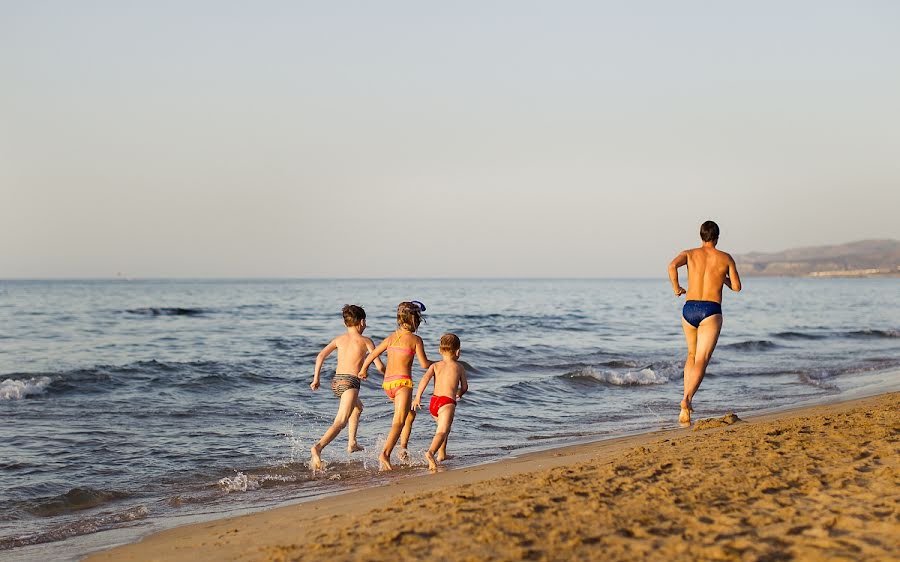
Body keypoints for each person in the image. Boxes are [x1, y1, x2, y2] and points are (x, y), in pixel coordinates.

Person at [668, 220, 742, 425]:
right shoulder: (725, 258)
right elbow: (736, 287)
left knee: (691, 355)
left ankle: (686, 402)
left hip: (689, 308)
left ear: (701, 236)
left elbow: (672, 265)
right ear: (717, 237)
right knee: (702, 358)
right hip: (710, 310)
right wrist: (722, 277)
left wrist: (676, 287)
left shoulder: (690, 254)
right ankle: (687, 399)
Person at [358, 301, 432, 471]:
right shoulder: (416, 340)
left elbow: (373, 354)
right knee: (398, 421)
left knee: (409, 415)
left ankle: (403, 449)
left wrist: (363, 369)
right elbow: (424, 364)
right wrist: (441, 363)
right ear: (415, 320)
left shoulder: (391, 337)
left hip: (388, 384)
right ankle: (385, 453)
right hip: (403, 384)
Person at [309, 305, 384, 471]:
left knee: (358, 407)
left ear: (345, 324)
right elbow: (378, 366)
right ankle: (318, 447)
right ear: (362, 322)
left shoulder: (339, 339)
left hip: (336, 382)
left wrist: (316, 379)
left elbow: (320, 356)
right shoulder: (366, 341)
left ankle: (352, 443)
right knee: (340, 421)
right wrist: (389, 373)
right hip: (351, 383)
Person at [412, 333, 468, 471]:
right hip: (447, 402)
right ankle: (431, 453)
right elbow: (465, 387)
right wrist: (459, 394)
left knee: (443, 429)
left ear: (439, 350)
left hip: (434, 402)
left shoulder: (435, 366)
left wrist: (417, 396)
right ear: (458, 352)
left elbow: (424, 379)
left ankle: (442, 454)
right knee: (442, 431)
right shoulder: (459, 367)